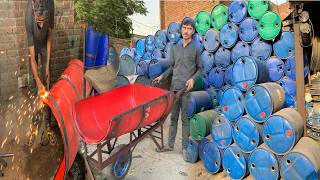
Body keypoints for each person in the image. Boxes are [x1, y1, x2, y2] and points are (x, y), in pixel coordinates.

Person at [154, 17, 201, 160]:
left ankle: (185, 148)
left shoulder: (196, 49)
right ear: (181, 30)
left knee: (185, 120)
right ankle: (169, 145)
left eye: (189, 28)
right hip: (174, 88)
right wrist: (161, 77)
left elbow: (201, 70)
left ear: (193, 31)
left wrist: (193, 79)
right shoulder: (175, 48)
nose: (186, 31)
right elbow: (172, 67)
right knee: (173, 117)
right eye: (184, 28)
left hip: (186, 90)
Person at [25, 0, 56, 146]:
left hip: (45, 46)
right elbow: (32, 58)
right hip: (34, 46)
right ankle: (34, 125)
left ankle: (47, 126)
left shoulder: (50, 4)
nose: (42, 25)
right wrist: (38, 81)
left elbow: (49, 38)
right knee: (34, 86)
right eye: (39, 23)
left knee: (47, 85)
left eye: (44, 22)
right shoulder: (28, 17)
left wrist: (47, 64)